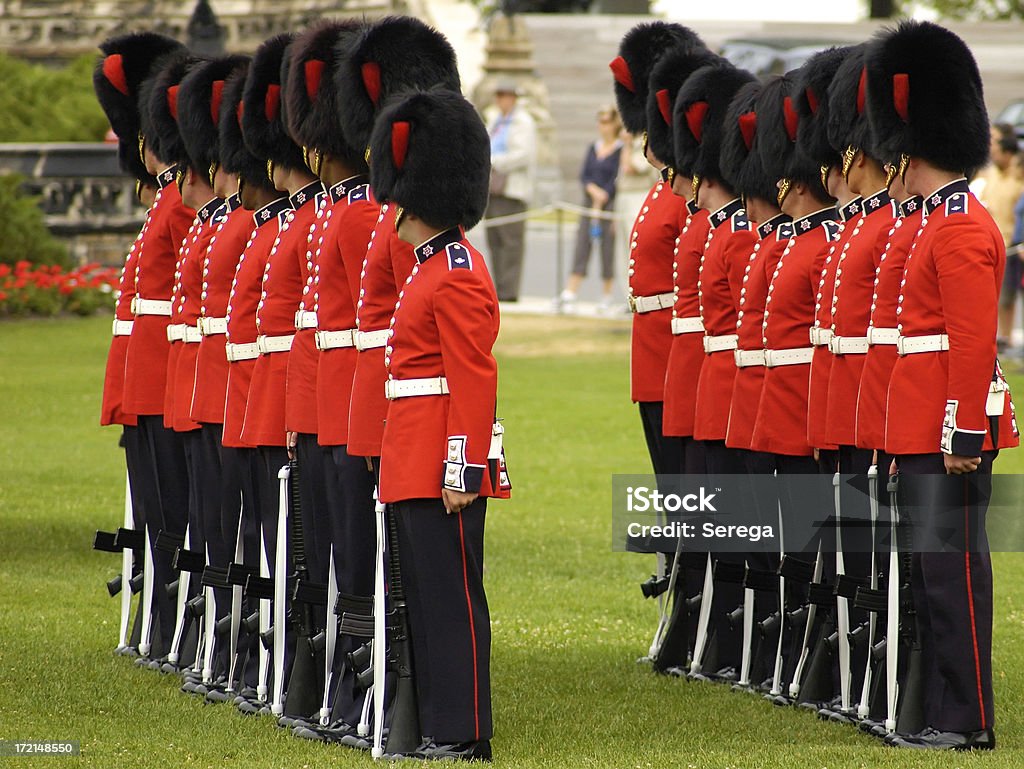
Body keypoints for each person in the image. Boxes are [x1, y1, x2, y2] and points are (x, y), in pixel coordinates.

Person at [866, 20, 1019, 750]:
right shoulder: (931, 221)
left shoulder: (960, 225)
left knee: (952, 578)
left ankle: (966, 719)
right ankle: (939, 708)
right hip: (920, 419)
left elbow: (969, 343)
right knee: (931, 577)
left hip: (946, 426)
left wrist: (960, 429)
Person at [369, 88, 511, 762]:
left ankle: (466, 731)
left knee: (452, 601)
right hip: (411, 449)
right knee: (425, 598)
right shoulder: (428, 269)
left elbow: (472, 377)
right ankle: (436, 722)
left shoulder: (454, 271)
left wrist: (463, 468)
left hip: (439, 461)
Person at [558, 106, 623, 312]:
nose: (603, 127)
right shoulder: (593, 148)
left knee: (607, 248)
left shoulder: (620, 149)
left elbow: (617, 177)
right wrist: (592, 190)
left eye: (606, 122)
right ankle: (570, 292)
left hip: (609, 203)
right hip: (589, 201)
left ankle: (606, 294)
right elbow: (584, 175)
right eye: (600, 122)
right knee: (582, 244)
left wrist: (604, 193)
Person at [483, 78, 537, 302]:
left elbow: (522, 154)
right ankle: (499, 287)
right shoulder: (496, 120)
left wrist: (496, 161)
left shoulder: (522, 122)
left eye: (505, 96)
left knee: (511, 241)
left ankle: (509, 290)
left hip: (512, 188)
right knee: (494, 239)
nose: (501, 100)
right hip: (493, 187)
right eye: (499, 96)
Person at [972, 123, 1022, 351]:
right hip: (993, 241)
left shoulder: (1018, 176)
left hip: (1013, 243)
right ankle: (999, 336)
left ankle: (1008, 336)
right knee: (996, 295)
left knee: (1010, 295)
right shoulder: (990, 174)